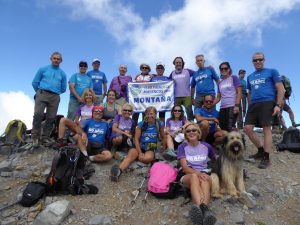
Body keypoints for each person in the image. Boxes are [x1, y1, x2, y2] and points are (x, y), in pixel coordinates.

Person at [244, 52, 285, 169]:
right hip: (253, 105)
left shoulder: (272, 71)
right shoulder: (249, 77)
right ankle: (261, 150)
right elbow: (250, 93)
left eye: (260, 59)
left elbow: (281, 89)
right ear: (252, 62)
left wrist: (278, 105)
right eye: (255, 60)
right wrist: (249, 105)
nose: (258, 62)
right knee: (247, 128)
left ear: (264, 60)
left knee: (266, 128)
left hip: (268, 102)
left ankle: (266, 157)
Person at [110, 106, 164, 182]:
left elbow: (162, 136)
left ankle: (135, 157)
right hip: (139, 145)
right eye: (147, 114)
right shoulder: (141, 124)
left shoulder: (159, 124)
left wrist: (164, 148)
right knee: (129, 157)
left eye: (151, 114)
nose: (149, 116)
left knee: (147, 159)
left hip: (150, 147)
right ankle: (118, 171)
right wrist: (140, 152)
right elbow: (136, 139)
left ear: (156, 114)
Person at [177, 123, 217, 225]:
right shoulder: (182, 147)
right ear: (185, 134)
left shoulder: (206, 146)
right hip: (188, 174)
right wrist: (198, 173)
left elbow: (214, 160)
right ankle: (204, 210)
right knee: (195, 177)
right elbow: (185, 168)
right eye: (188, 131)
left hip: (204, 172)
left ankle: (202, 212)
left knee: (204, 180)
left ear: (199, 132)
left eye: (194, 130)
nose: (191, 132)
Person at [31, 51, 67, 147]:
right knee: (38, 114)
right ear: (51, 59)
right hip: (42, 93)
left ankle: (45, 137)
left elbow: (63, 88)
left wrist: (55, 92)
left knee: (51, 117)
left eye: (58, 59)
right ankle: (35, 136)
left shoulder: (62, 74)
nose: (56, 60)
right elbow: (35, 82)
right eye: (54, 58)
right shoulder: (43, 69)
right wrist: (39, 93)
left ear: (61, 61)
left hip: (55, 96)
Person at [213, 62, 242, 132]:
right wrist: (210, 104)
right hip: (222, 108)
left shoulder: (234, 78)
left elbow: (239, 92)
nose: (223, 70)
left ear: (229, 69)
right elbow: (218, 97)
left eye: (225, 68)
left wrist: (237, 105)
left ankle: (239, 142)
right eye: (221, 69)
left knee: (230, 127)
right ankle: (227, 143)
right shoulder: (220, 83)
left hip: (232, 106)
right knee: (223, 128)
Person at [169, 57, 194, 121]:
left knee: (189, 113)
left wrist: (208, 68)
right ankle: (177, 127)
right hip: (176, 97)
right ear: (174, 64)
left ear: (182, 63)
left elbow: (198, 73)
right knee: (176, 114)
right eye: (176, 62)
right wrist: (154, 75)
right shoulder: (172, 73)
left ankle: (192, 126)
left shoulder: (188, 71)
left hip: (187, 96)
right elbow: (166, 82)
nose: (178, 64)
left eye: (180, 62)